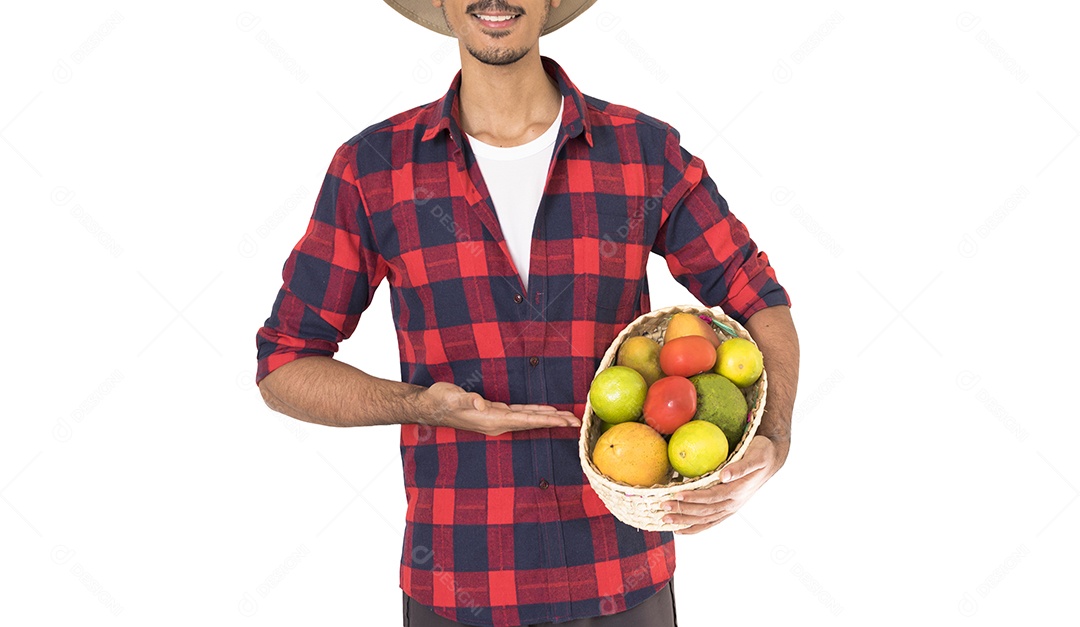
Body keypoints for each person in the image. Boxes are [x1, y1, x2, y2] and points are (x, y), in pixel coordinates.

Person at [255, 0, 800, 625]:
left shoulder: (644, 152)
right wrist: (419, 405)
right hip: (460, 583)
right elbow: (285, 364)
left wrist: (773, 437)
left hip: (623, 579)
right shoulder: (373, 169)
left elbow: (758, 297)